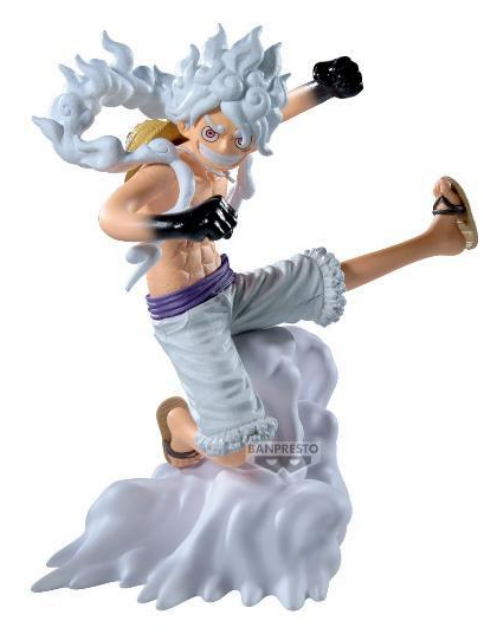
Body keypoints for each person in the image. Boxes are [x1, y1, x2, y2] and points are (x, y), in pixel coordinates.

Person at [35, 26, 478, 469]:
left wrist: (322, 88)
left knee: (326, 279)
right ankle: (178, 425)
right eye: (213, 134)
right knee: (236, 453)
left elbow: (270, 115)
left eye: (241, 138)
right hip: (187, 319)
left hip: (228, 289)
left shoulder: (229, 146)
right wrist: (182, 223)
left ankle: (438, 239)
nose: (227, 147)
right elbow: (111, 217)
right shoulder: (166, 168)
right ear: (187, 123)